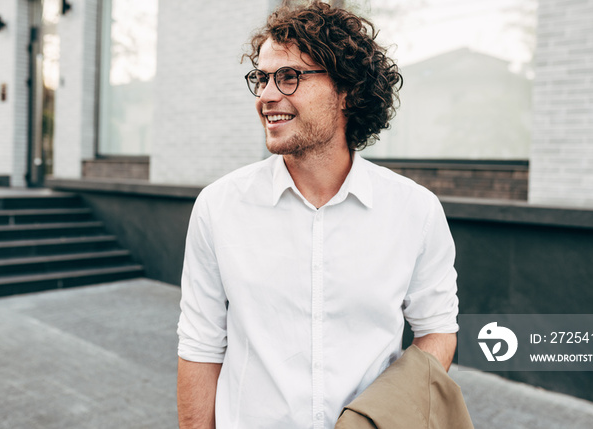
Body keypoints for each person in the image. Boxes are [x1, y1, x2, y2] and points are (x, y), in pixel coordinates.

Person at [177, 1, 460, 428]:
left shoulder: (414, 211)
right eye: (261, 78)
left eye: (289, 77)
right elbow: (200, 346)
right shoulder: (219, 207)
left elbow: (437, 331)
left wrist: (378, 415)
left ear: (347, 91)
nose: (267, 96)